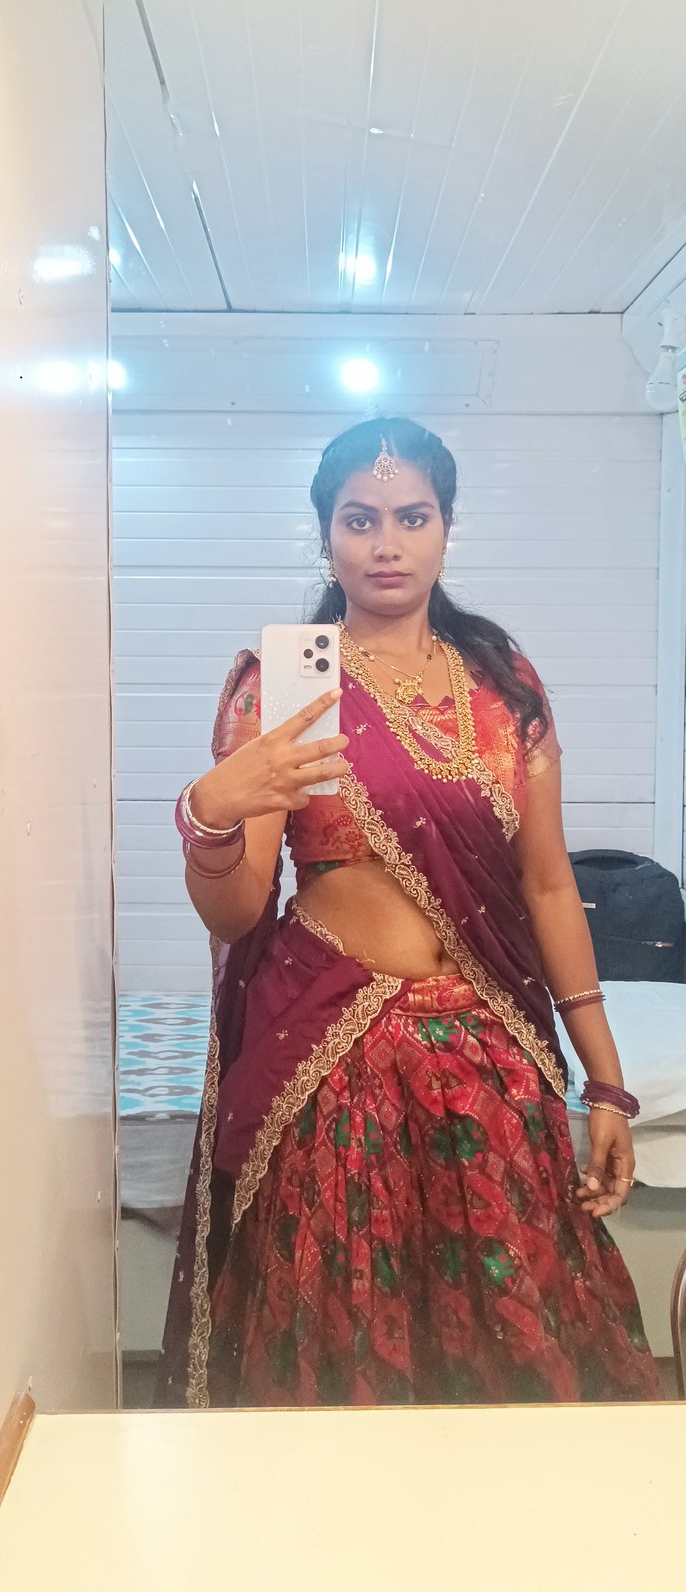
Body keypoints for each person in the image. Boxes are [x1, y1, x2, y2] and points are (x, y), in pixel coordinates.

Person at [158, 417, 662, 1408]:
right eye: (359, 519)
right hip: (335, 1058)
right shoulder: (287, 685)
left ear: (445, 527)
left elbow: (545, 885)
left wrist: (605, 1084)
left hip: (488, 1058)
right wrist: (210, 815)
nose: (385, 543)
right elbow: (238, 913)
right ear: (325, 534)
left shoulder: (501, 682)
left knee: (518, 1338)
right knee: (342, 1342)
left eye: (410, 517)